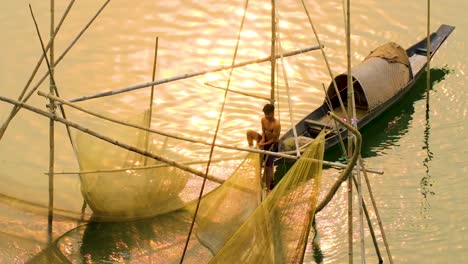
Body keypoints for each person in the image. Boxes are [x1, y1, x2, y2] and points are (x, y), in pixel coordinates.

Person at [246, 103, 281, 191]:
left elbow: (274, 139)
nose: (267, 116)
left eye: (268, 114)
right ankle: (251, 150)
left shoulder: (276, 124)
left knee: (268, 166)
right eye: (265, 114)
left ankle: (268, 188)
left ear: (273, 113)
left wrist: (263, 144)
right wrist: (263, 139)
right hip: (264, 141)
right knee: (249, 133)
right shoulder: (263, 119)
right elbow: (263, 130)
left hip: (272, 144)